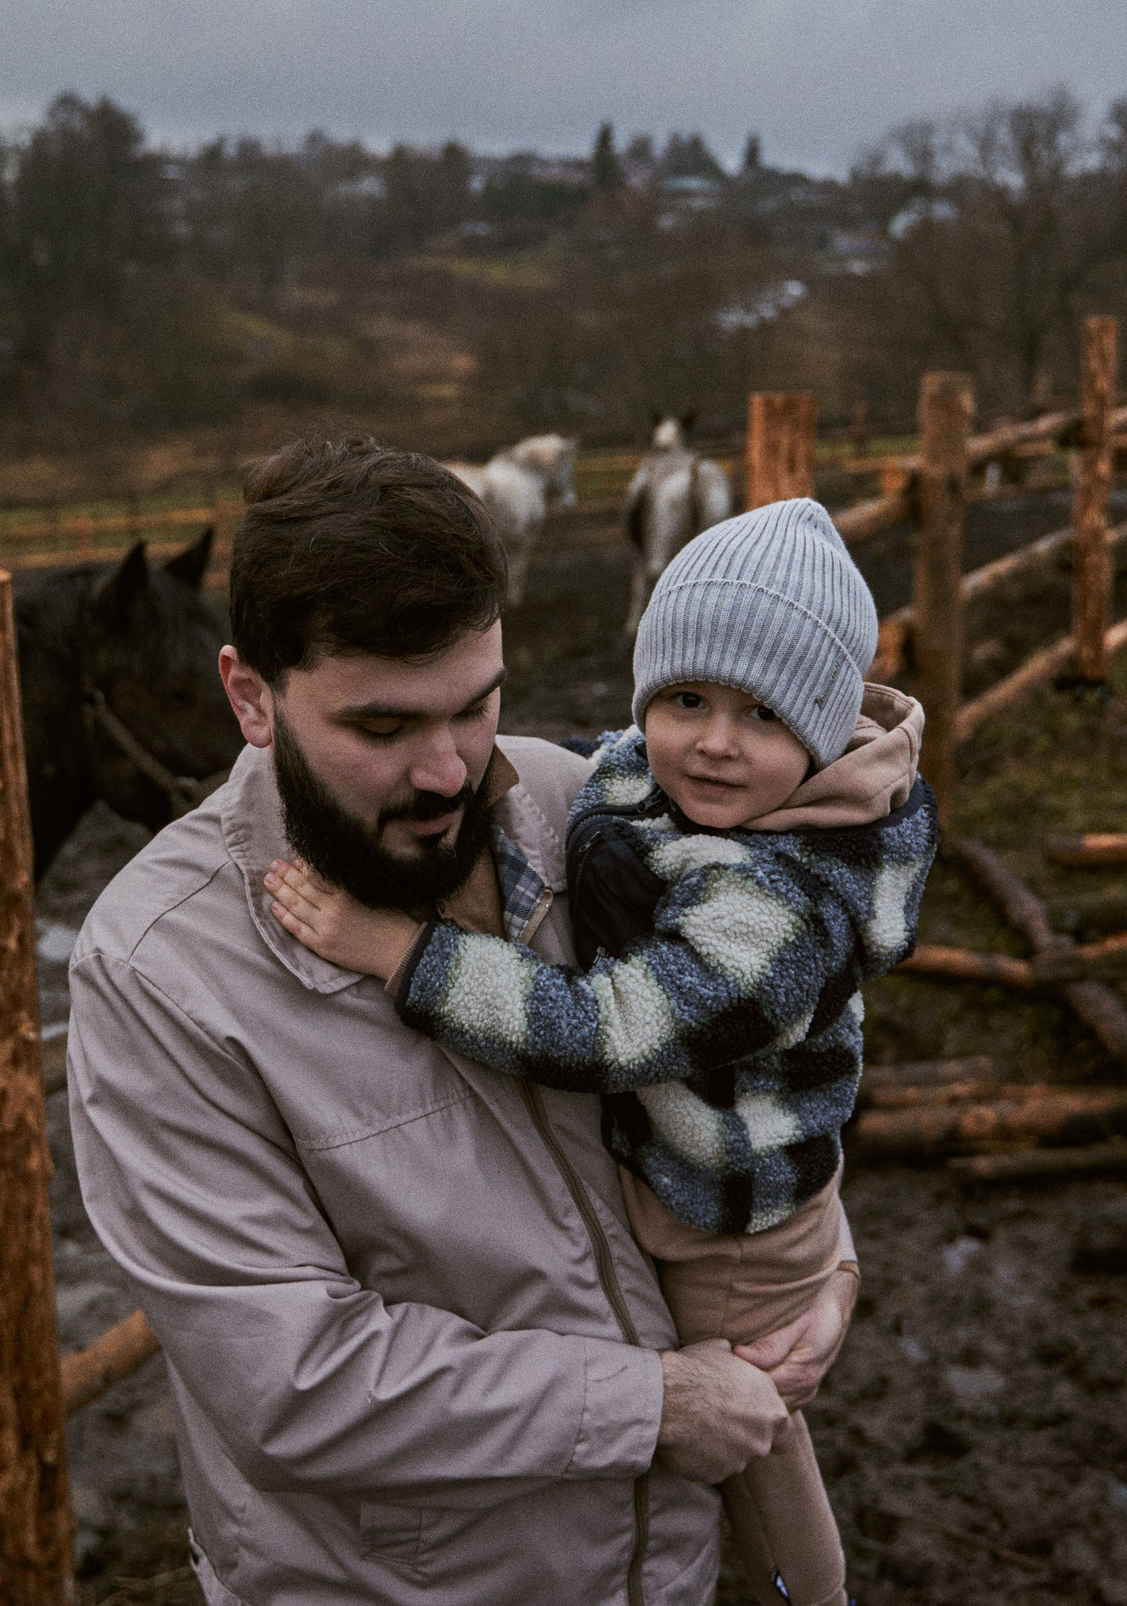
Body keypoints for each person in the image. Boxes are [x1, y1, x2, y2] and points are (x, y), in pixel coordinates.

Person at [67, 439, 859, 1606]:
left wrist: (823, 1278)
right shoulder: (160, 971)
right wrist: (652, 1407)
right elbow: (292, 1381)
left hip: (666, 1571)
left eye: (475, 705)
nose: (447, 771)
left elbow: (764, 1045)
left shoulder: (572, 807)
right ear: (251, 697)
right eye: (381, 729)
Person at [267, 498, 937, 1606]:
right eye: (685, 699)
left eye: (761, 716)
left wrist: (400, 951)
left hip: (727, 1218)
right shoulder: (689, 783)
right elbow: (606, 768)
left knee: (753, 1427)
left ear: (819, 734)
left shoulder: (777, 907)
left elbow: (610, 1028)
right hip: (723, 1172)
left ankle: (808, 1588)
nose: (713, 741)